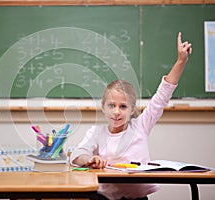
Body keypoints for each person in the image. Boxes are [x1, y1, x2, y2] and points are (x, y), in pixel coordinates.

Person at [70, 32, 192, 200]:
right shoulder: (96, 133)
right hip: (104, 198)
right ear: (103, 107)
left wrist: (180, 61)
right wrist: (90, 159)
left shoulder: (140, 126)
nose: (116, 111)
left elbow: (162, 96)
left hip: (137, 199)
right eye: (111, 105)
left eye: (123, 106)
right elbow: (77, 154)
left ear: (132, 108)